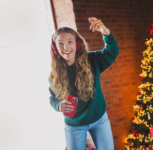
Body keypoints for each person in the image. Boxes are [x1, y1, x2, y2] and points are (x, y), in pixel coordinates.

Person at [48, 17, 119, 150]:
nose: (66, 47)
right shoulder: (54, 75)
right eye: (60, 43)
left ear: (77, 44)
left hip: (99, 119)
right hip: (74, 125)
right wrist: (58, 105)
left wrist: (105, 32)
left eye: (70, 41)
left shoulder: (92, 60)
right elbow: (52, 97)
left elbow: (112, 52)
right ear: (55, 48)